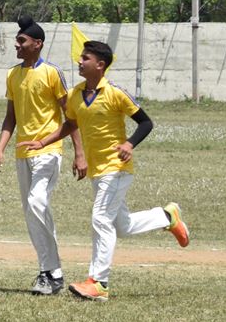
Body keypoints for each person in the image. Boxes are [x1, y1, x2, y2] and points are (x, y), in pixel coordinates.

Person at [30, 39, 190, 302]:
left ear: (100, 65)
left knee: (101, 219)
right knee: (122, 225)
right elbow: (70, 124)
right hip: (97, 170)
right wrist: (43, 142)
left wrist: (129, 144)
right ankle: (166, 216)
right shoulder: (76, 94)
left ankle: (99, 282)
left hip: (117, 169)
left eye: (86, 58)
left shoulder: (115, 93)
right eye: (81, 57)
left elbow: (146, 123)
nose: (80, 61)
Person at [0, 18, 83, 295]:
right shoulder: (12, 75)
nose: (16, 45)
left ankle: (48, 271)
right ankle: (52, 274)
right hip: (22, 152)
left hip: (49, 151)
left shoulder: (52, 72)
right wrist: (0, 148)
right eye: (17, 41)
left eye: (22, 41)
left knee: (36, 202)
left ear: (37, 44)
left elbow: (71, 117)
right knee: (34, 212)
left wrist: (80, 153)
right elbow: (11, 117)